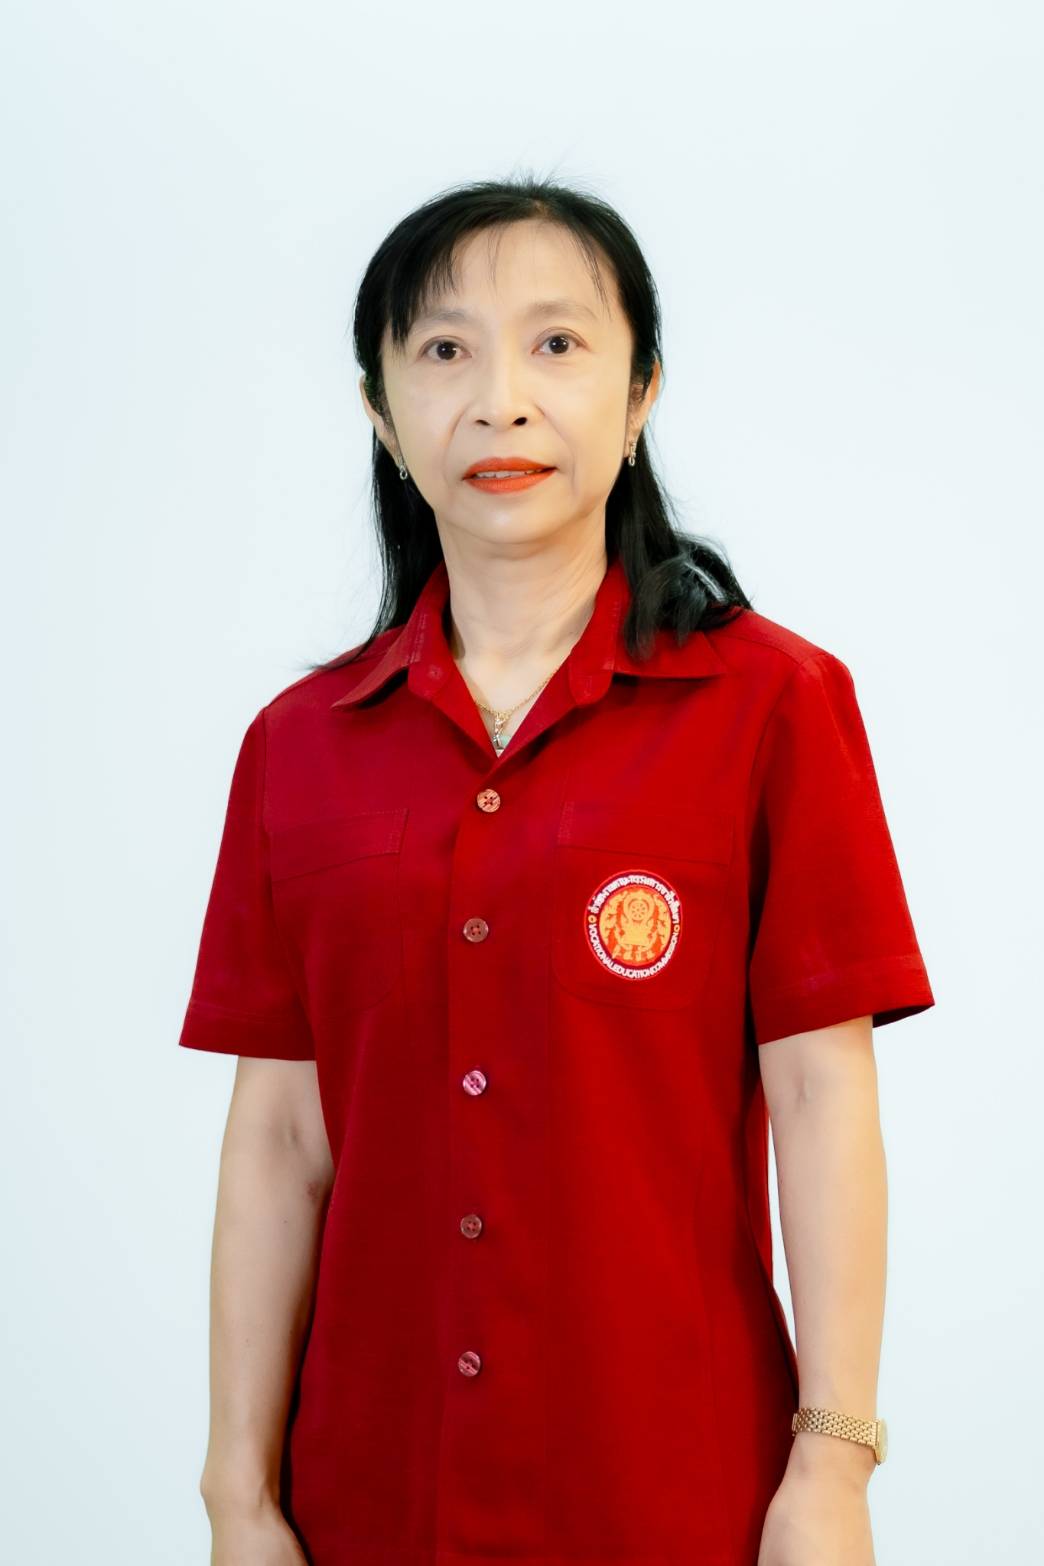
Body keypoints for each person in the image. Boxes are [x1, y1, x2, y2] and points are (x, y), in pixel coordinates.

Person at [178, 175, 935, 1566]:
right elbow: (280, 1141)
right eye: (445, 350)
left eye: (557, 344)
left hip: (677, 1490)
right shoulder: (299, 747)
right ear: (382, 411)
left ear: (640, 395)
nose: (501, 401)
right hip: (373, 1493)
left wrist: (833, 1468)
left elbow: (822, 1097)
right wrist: (240, 1494)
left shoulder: (774, 707)